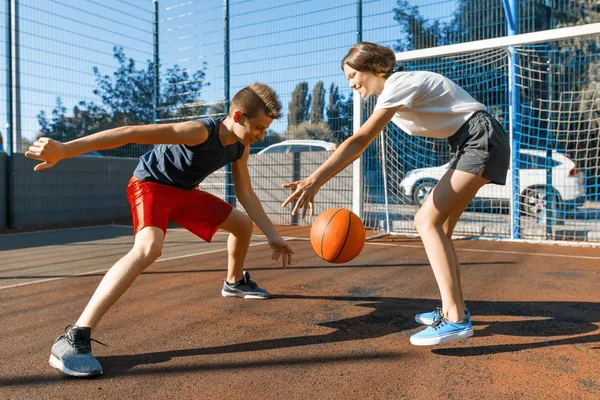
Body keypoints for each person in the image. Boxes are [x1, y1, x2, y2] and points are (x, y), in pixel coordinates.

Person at [25, 82, 294, 377]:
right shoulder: (199, 131)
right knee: (149, 248)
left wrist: (272, 234)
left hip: (184, 192)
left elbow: (246, 194)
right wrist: (66, 149)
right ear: (239, 116)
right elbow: (129, 132)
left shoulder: (240, 147)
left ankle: (234, 282)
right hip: (150, 185)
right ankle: (74, 337)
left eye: (265, 130)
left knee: (242, 224)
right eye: (259, 127)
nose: (261, 135)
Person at [282, 42, 510, 346]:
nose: (350, 84)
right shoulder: (394, 91)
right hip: (473, 140)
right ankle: (454, 310)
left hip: (479, 140)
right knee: (439, 227)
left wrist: (315, 179)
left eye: (353, 75)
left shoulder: (397, 84)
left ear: (375, 70)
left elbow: (361, 139)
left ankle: (455, 319)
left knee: (425, 221)